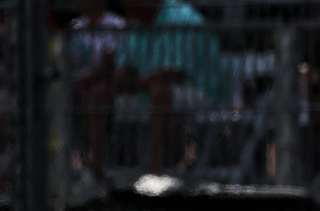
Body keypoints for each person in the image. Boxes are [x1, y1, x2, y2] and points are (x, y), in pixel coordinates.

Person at [114, 0, 222, 178]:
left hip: (199, 90)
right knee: (98, 94)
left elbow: (175, 74)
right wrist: (133, 80)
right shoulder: (136, 23)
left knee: (160, 94)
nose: (127, 11)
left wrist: (136, 81)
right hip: (146, 91)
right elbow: (121, 72)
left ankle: (155, 174)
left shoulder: (181, 17)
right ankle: (98, 174)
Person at [69, 0, 125, 185]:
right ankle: (70, 166)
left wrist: (86, 79)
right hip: (78, 84)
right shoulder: (76, 27)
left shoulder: (115, 25)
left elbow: (110, 63)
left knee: (93, 95)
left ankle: (95, 166)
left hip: (108, 83)